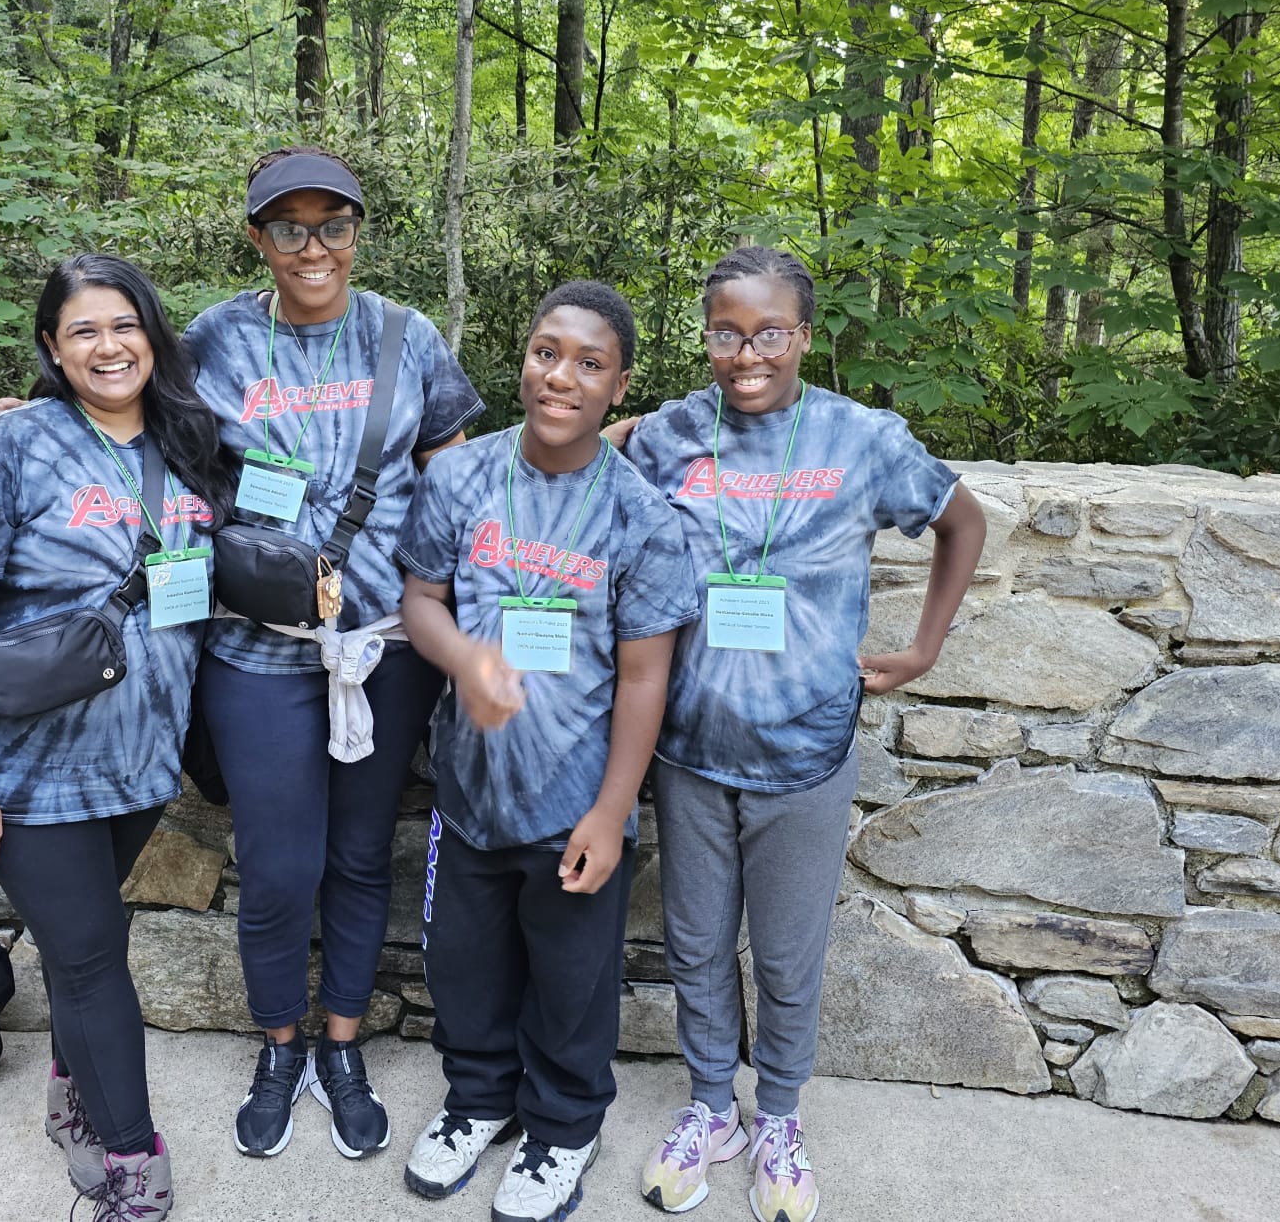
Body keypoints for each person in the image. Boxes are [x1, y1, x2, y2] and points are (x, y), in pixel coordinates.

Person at [0, 146, 484, 1164]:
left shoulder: (406, 339)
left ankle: (342, 1046)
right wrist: (31, 409)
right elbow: (123, 406)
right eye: (287, 226)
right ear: (257, 237)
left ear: (356, 230)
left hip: (382, 650)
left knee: (357, 859)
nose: (312, 245)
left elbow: (459, 483)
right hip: (254, 650)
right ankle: (278, 1044)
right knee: (279, 869)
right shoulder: (216, 341)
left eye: (331, 224)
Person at [616, 246, 986, 1222]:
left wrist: (921, 650)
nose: (746, 353)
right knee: (693, 946)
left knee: (784, 956)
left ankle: (776, 1114)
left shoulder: (859, 439)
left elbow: (962, 522)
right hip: (689, 748)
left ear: (802, 337)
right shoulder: (667, 437)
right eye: (725, 332)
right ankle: (711, 1107)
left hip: (805, 747)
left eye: (767, 332)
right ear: (705, 337)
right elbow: (583, 461)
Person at [0, 254, 234, 1222]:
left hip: (138, 766)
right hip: (26, 772)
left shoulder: (188, 441)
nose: (107, 345)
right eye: (82, 330)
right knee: (92, 960)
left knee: (76, 945)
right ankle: (134, 1168)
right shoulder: (12, 448)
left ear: (151, 334)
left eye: (123, 324)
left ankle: (74, 1102)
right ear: (52, 348)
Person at [394, 280, 697, 1222]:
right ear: (521, 358)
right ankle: (478, 1101)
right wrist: (463, 658)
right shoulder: (461, 479)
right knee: (463, 964)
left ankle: (566, 1125)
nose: (561, 376)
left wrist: (612, 814)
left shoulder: (640, 518)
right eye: (545, 351)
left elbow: (646, 679)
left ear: (619, 386)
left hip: (576, 802)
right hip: (471, 794)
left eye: (589, 363)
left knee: (571, 982)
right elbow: (420, 602)